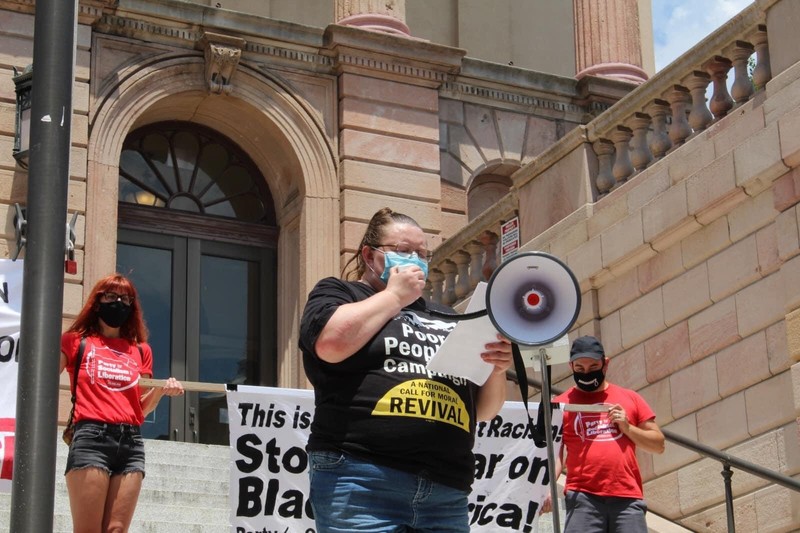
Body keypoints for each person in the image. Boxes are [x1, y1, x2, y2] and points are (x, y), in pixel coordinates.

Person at [299, 207, 512, 533]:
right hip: (361, 478)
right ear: (369, 254)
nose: (414, 259)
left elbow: (482, 410)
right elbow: (330, 344)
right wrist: (395, 296)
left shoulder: (446, 315)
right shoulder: (341, 293)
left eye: (422, 253)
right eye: (402, 251)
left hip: (445, 490)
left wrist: (497, 368)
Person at [60, 273, 184, 533]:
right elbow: (43, 381)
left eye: (126, 298)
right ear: (97, 301)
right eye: (112, 296)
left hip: (131, 442)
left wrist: (161, 390)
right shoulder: (76, 341)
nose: (119, 302)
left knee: (117, 529)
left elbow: (141, 408)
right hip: (91, 437)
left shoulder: (140, 350)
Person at [544, 335, 665, 532]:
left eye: (593, 367)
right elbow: (555, 454)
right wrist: (547, 487)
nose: (586, 373)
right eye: (580, 368)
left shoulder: (630, 398)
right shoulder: (560, 405)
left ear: (605, 364)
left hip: (626, 498)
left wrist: (627, 427)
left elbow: (658, 445)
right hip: (582, 498)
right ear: (571, 366)